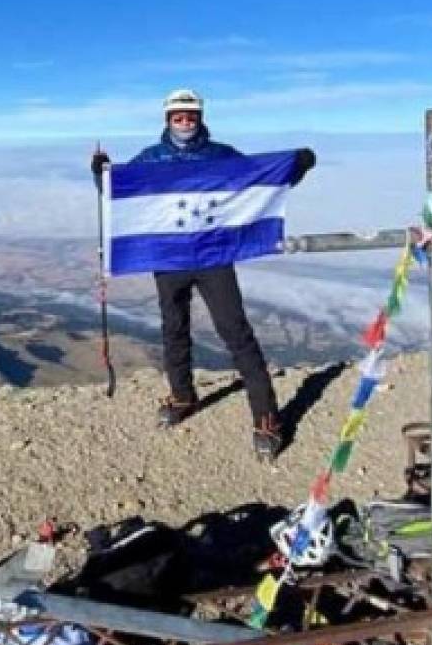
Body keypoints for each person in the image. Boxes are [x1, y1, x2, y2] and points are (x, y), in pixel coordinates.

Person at [91, 88, 315, 461]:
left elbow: (261, 183)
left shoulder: (221, 157)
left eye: (190, 115)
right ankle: (182, 396)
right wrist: (101, 171)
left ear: (200, 117)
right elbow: (119, 190)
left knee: (236, 332)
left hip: (214, 258)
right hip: (170, 259)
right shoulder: (152, 158)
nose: (185, 122)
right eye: (178, 116)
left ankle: (266, 418)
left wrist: (297, 165)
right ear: (168, 120)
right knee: (173, 329)